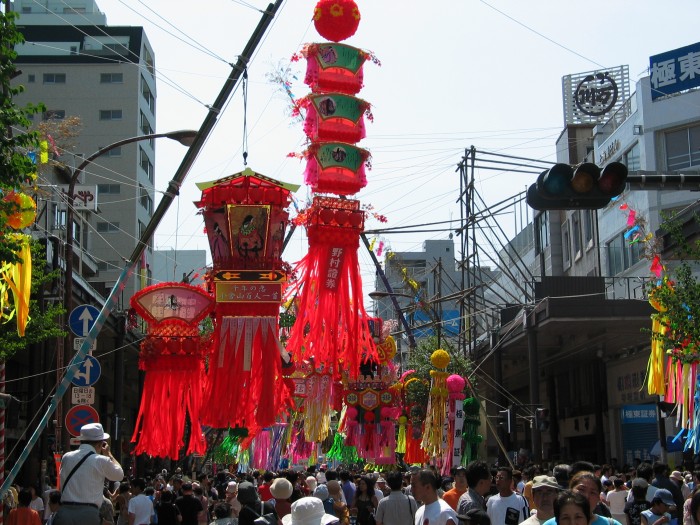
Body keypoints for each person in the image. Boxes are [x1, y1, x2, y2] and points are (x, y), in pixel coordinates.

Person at [54, 423, 124, 525]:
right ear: (100, 444)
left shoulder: (66, 457)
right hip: (88, 514)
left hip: (65, 512)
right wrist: (109, 454)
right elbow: (119, 475)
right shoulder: (101, 460)